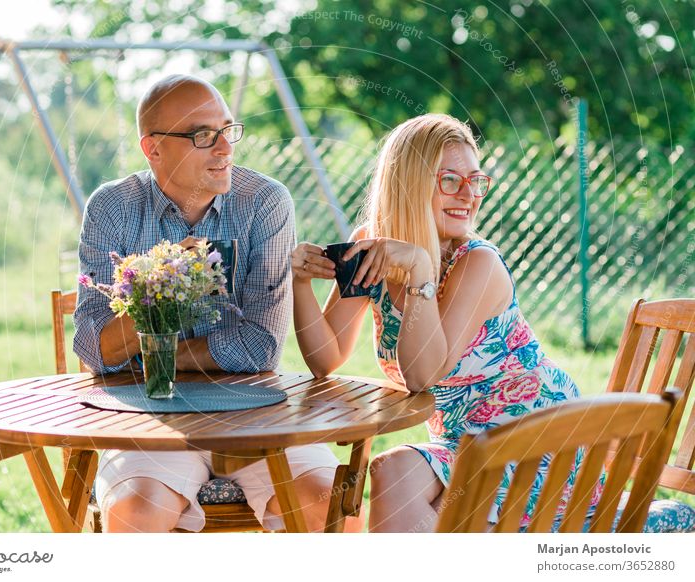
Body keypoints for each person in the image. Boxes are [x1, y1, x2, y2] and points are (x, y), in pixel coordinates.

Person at [291, 113, 601, 532]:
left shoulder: (478, 263)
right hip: (464, 443)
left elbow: (421, 374)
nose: (469, 195)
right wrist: (300, 283)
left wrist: (420, 268)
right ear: (409, 184)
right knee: (392, 470)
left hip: (536, 442)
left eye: (476, 180)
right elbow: (324, 357)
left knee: (428, 520)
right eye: (450, 180)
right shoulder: (373, 244)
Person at [73, 74, 352, 533]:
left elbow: (260, 345)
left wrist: (154, 357)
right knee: (136, 511)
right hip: (145, 423)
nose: (224, 148)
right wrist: (157, 287)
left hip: (258, 416)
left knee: (330, 503)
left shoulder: (264, 202)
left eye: (227, 130)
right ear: (153, 148)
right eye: (203, 136)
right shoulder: (113, 207)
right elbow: (94, 351)